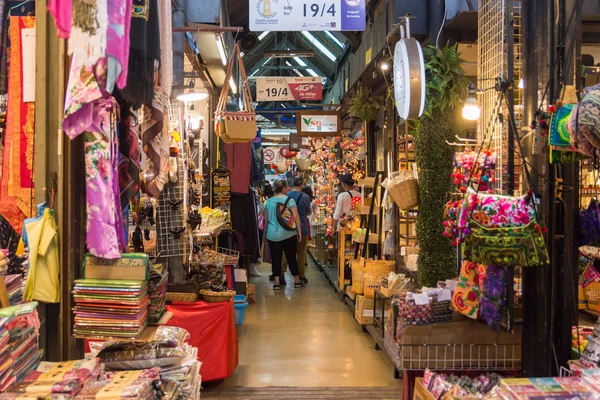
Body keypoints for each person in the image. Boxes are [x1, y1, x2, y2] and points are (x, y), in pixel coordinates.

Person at [262, 180, 304, 290]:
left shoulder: (268, 202)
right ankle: (297, 281)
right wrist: (299, 231)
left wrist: (265, 236)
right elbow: (296, 217)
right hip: (288, 234)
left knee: (276, 259)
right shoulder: (289, 201)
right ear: (284, 188)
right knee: (291, 257)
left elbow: (266, 220)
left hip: (272, 235)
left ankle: (276, 283)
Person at [286, 177, 312, 284]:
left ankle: (282, 273)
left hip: (288, 227)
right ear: (302, 185)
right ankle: (301, 275)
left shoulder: (287, 195)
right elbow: (309, 212)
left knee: (287, 252)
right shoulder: (305, 197)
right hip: (302, 226)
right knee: (301, 253)